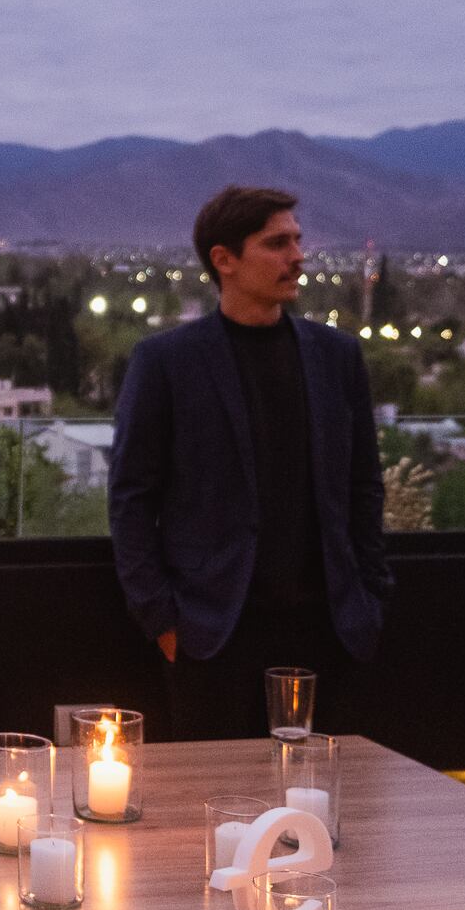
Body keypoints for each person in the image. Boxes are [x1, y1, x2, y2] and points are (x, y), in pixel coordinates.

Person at [109, 185, 391, 740]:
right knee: (217, 811)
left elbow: (363, 486)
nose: (297, 256)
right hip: (214, 637)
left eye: (297, 240)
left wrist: (370, 599)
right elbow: (130, 498)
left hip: (328, 634)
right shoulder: (167, 362)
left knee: (319, 813)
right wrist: (164, 622)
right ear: (224, 260)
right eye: (277, 243)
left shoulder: (337, 357)